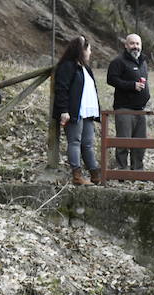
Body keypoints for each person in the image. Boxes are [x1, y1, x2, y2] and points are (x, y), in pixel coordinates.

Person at [54, 36, 102, 186]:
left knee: (87, 143)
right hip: (74, 111)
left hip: (87, 112)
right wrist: (64, 110)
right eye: (88, 49)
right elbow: (61, 89)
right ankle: (77, 175)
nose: (90, 52)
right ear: (81, 50)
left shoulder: (85, 68)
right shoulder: (67, 66)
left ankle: (95, 174)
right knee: (74, 141)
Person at [106, 33, 150, 171]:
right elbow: (111, 79)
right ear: (126, 45)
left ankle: (137, 171)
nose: (135, 47)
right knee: (123, 143)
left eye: (137, 44)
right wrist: (132, 85)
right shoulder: (118, 61)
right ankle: (122, 171)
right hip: (124, 109)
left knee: (140, 143)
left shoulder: (143, 62)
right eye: (132, 43)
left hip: (141, 109)